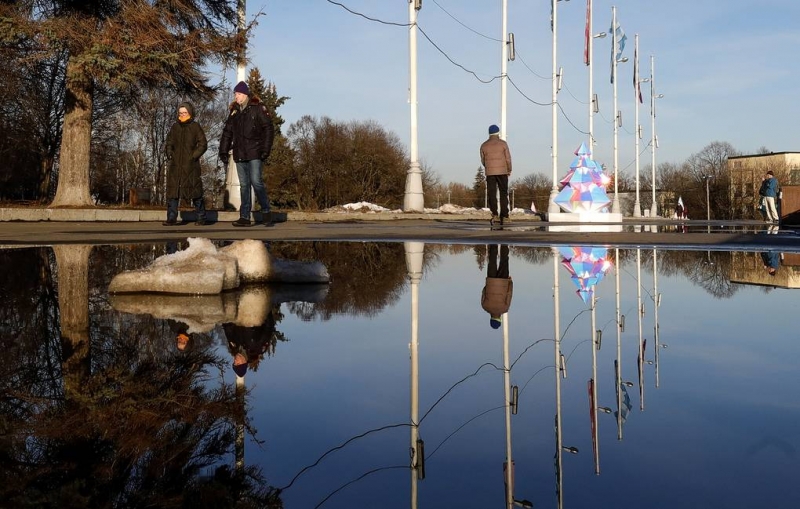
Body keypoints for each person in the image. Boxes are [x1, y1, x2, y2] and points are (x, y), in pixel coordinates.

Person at [219, 81, 275, 227]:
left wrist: (265, 149)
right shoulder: (234, 111)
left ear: (244, 94)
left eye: (237, 94)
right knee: (244, 185)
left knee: (256, 182)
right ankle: (244, 216)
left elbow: (268, 128)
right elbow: (227, 132)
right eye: (235, 94)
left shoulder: (257, 108)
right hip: (239, 152)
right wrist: (223, 151)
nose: (235, 97)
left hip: (255, 151)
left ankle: (266, 212)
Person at [163, 102, 208, 226]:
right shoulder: (175, 127)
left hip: (190, 166)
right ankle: (171, 218)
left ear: (190, 113)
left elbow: (203, 144)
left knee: (195, 192)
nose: (182, 115)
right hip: (175, 165)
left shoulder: (195, 127)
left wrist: (193, 156)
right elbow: (169, 141)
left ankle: (201, 217)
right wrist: (169, 152)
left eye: (185, 112)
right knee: (173, 192)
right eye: (180, 113)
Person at [480, 124, 512, 226]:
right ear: (498, 133)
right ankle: (504, 215)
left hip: (490, 173)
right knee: (503, 193)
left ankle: (494, 213)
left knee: (492, 193)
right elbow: (508, 158)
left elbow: (483, 160)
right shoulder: (503, 144)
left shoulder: (483, 145)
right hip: (502, 172)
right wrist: (509, 169)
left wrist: (488, 166)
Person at [481, 244, 513, 329]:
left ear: (499, 320)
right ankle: (493, 243)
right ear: (491, 319)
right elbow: (484, 291)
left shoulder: (505, 308)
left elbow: (509, 294)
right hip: (491, 281)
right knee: (492, 260)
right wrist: (488, 285)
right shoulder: (485, 306)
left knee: (504, 260)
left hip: (503, 282)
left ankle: (504, 243)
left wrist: (510, 282)